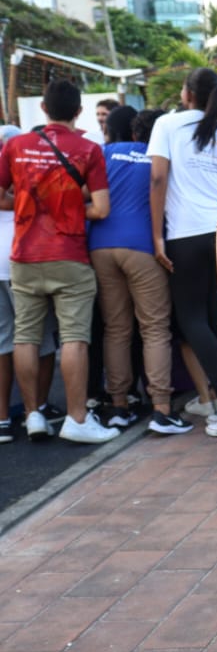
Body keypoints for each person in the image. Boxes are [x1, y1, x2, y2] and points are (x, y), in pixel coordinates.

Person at [0, 80, 119, 443]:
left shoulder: (15, 146)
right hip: (69, 255)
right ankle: (77, 419)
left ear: (44, 110)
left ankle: (33, 415)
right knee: (74, 339)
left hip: (24, 255)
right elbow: (100, 208)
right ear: (79, 111)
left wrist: (24, 205)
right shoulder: (88, 149)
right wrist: (65, 205)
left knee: (25, 336)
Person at [148, 69, 217, 438]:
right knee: (215, 319)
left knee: (192, 320)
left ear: (188, 93)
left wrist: (157, 240)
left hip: (185, 234)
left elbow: (158, 179)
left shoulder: (167, 125)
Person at [88, 105, 189, 434]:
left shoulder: (105, 153)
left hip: (101, 246)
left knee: (116, 329)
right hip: (144, 248)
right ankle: (161, 409)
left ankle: (119, 406)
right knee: (155, 329)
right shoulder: (158, 159)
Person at [0, 125, 57, 443]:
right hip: (25, 258)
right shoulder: (31, 168)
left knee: (5, 342)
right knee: (41, 339)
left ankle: (4, 419)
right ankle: (38, 408)